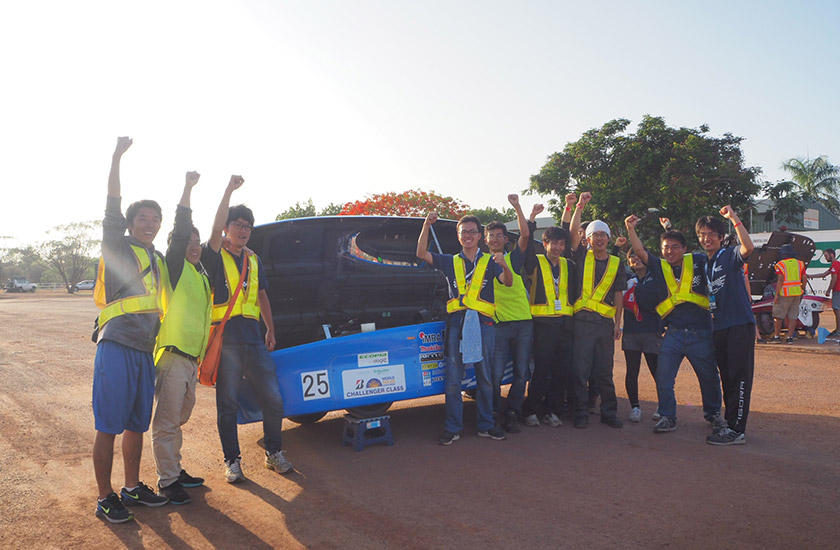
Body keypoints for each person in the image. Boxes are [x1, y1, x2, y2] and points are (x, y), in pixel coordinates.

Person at [93, 137, 170, 523]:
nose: (150, 224)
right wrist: (116, 158)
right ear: (129, 223)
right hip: (117, 345)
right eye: (143, 218)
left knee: (136, 425)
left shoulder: (156, 258)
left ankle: (132, 486)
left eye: (155, 219)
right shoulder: (117, 246)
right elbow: (111, 206)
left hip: (143, 349)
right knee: (109, 424)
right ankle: (105, 497)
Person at [202, 184, 292, 481]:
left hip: (253, 337)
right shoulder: (215, 255)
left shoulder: (253, 259)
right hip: (226, 339)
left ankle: (273, 453)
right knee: (227, 403)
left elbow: (262, 295)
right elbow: (214, 231)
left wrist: (271, 329)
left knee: (273, 398)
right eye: (237, 225)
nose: (243, 231)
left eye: (247, 227)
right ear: (226, 228)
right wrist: (228, 190)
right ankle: (232, 461)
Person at [150, 171, 218, 504]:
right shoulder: (175, 268)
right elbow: (180, 231)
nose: (194, 245)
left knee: (179, 417)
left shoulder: (200, 274)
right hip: (173, 356)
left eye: (197, 240)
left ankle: (175, 469)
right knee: (167, 421)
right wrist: (188, 188)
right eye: (187, 240)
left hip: (191, 359)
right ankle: (167, 480)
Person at [625, 214, 725, 437]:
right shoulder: (659, 267)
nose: (669, 251)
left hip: (701, 332)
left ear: (685, 248)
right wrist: (630, 229)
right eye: (665, 248)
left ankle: (713, 414)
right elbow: (639, 251)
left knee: (708, 376)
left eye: (675, 247)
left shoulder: (699, 261)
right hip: (674, 333)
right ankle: (667, 416)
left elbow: (715, 255)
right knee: (664, 376)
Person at [416, 213, 513, 445]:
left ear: (479, 236)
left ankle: (486, 425)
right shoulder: (450, 261)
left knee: (485, 377)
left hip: (484, 324)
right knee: (453, 378)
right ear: (458, 236)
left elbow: (508, 282)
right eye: (464, 232)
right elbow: (421, 253)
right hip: (457, 324)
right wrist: (426, 225)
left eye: (472, 232)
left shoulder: (490, 261)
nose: (468, 236)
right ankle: (452, 428)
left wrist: (504, 265)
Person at [696, 207, 755, 446]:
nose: (706, 238)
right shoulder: (705, 262)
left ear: (721, 237)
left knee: (739, 378)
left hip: (739, 325)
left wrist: (734, 218)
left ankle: (737, 430)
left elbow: (748, 248)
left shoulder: (729, 255)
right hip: (719, 327)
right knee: (727, 378)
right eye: (702, 234)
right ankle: (730, 425)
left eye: (711, 234)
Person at [568, 192, 627, 429]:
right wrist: (579, 207)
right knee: (580, 370)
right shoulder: (582, 256)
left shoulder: (616, 262)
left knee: (604, 371)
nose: (600, 239)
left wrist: (617, 323)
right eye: (595, 235)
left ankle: (608, 413)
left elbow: (619, 294)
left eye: (603, 235)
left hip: (604, 324)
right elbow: (572, 234)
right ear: (588, 239)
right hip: (582, 322)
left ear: (609, 239)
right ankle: (580, 412)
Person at [521, 220, 577, 429]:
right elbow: (526, 244)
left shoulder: (569, 265)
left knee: (561, 370)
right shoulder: (535, 262)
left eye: (561, 244)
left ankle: (553, 410)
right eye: (553, 243)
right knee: (542, 370)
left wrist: (571, 210)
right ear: (544, 244)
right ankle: (531, 410)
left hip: (565, 324)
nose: (557, 248)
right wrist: (531, 222)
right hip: (543, 324)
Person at [486, 195, 533, 433]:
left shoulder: (513, 257)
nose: (495, 239)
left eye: (499, 235)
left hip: (523, 323)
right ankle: (494, 412)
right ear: (485, 239)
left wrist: (517, 207)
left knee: (521, 373)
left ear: (506, 239)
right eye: (491, 235)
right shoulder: (481, 263)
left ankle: (513, 411)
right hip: (498, 326)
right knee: (494, 375)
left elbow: (525, 235)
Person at [621, 247, 662, 423]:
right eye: (631, 257)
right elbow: (611, 265)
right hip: (631, 331)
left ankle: (663, 405)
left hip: (651, 330)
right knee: (632, 370)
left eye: (639, 255)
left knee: (657, 370)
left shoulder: (657, 277)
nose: (635, 259)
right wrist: (616, 247)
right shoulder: (626, 279)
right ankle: (635, 407)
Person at [771, 244, 807, 343]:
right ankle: (790, 338)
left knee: (778, 316)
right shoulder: (800, 264)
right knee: (792, 317)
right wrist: (802, 289)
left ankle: (776, 337)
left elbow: (780, 280)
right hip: (797, 293)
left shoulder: (780, 265)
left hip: (784, 294)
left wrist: (776, 295)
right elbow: (804, 278)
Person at [815, 249, 840, 337]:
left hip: (838, 290)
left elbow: (834, 278)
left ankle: (838, 330)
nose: (825, 258)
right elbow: (824, 274)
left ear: (832, 255)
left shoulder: (835, 264)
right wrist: (810, 276)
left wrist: (829, 290)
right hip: (837, 290)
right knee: (837, 309)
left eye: (826, 256)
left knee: (837, 310)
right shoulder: (835, 264)